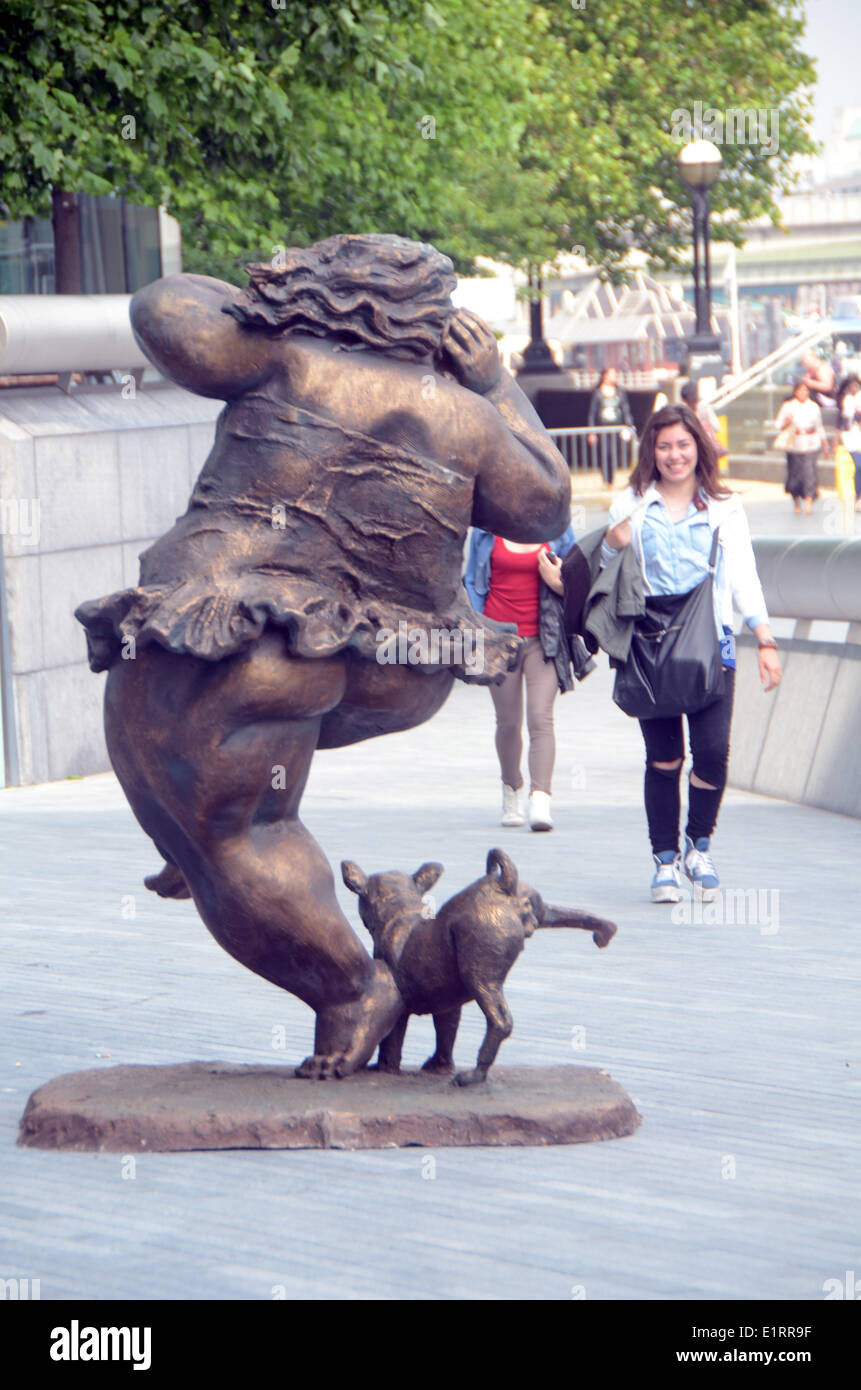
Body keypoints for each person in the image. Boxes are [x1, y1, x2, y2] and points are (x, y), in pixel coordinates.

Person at [75, 234, 570, 1079]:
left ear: (338, 292)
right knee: (211, 811)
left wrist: (279, 292)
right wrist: (494, 382)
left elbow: (161, 308)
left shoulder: (283, 356)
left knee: (224, 830)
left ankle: (352, 989)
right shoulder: (466, 413)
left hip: (243, 633)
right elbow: (544, 502)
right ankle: (209, 844)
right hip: (387, 662)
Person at [599, 403, 781, 904]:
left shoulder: (725, 507)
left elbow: (743, 576)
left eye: (683, 444)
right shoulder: (629, 505)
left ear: (698, 447)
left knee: (714, 753)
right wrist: (614, 547)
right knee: (664, 758)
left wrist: (765, 639)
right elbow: (603, 569)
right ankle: (663, 861)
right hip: (649, 647)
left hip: (711, 643)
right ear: (651, 452)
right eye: (664, 446)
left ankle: (697, 845)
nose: (675, 455)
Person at [465, 522, 575, 831]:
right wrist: (479, 631)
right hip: (499, 640)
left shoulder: (558, 528)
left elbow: (576, 579)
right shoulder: (486, 531)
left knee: (541, 717)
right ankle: (511, 788)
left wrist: (559, 578)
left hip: (544, 638)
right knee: (508, 722)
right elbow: (473, 582)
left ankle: (540, 797)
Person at [774, 379, 828, 515]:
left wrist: (825, 444)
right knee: (795, 473)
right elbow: (778, 424)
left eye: (805, 390)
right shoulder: (789, 406)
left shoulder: (813, 406)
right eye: (800, 390)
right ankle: (796, 499)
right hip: (795, 443)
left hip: (811, 442)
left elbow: (819, 426)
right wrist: (787, 422)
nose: (803, 393)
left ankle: (809, 498)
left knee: (809, 472)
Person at [587, 366, 634, 484]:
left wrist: (628, 426)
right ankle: (605, 478)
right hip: (602, 429)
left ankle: (611, 478)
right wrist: (591, 431)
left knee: (613, 452)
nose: (615, 377)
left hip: (616, 429)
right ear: (605, 376)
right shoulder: (598, 393)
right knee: (604, 452)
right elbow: (592, 413)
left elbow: (625, 410)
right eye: (612, 374)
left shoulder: (620, 392)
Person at [680, 380, 728, 468]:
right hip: (704, 450)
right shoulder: (705, 409)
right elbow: (716, 427)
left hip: (693, 451)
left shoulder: (682, 412)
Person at [836, 375, 861, 512]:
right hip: (852, 436)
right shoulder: (846, 400)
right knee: (858, 465)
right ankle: (859, 497)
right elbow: (841, 419)